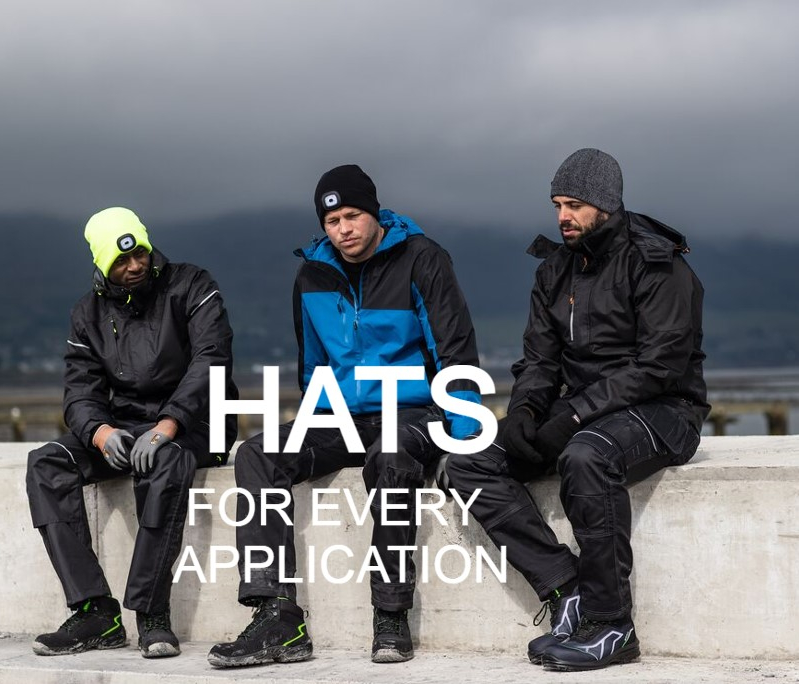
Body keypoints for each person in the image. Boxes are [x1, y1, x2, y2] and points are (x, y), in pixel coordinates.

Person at [207, 164, 482, 667]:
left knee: (393, 457)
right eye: (333, 221)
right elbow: (312, 365)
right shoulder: (311, 273)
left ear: (373, 212)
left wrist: (463, 441)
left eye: (353, 216)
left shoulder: (422, 259)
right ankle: (276, 619)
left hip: (415, 411)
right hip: (342, 415)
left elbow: (455, 352)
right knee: (259, 454)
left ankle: (391, 616)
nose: (344, 229)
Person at [446, 149, 710, 672]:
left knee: (587, 457)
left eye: (574, 205)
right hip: (588, 409)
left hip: (664, 410)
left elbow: (658, 366)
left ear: (606, 205)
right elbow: (540, 359)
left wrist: (570, 419)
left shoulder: (657, 262)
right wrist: (525, 413)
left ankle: (612, 627)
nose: (562, 216)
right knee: (468, 460)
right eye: (557, 204)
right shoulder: (555, 269)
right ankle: (569, 590)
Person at [26, 207, 238, 658]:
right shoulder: (87, 314)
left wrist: (168, 424)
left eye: (138, 252)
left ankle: (152, 614)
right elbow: (79, 390)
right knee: (47, 463)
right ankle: (94, 613)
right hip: (123, 426)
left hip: (197, 422)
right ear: (102, 265)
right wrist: (101, 433)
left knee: (165, 463)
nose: (135, 265)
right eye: (120, 262)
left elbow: (211, 359)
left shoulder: (192, 285)